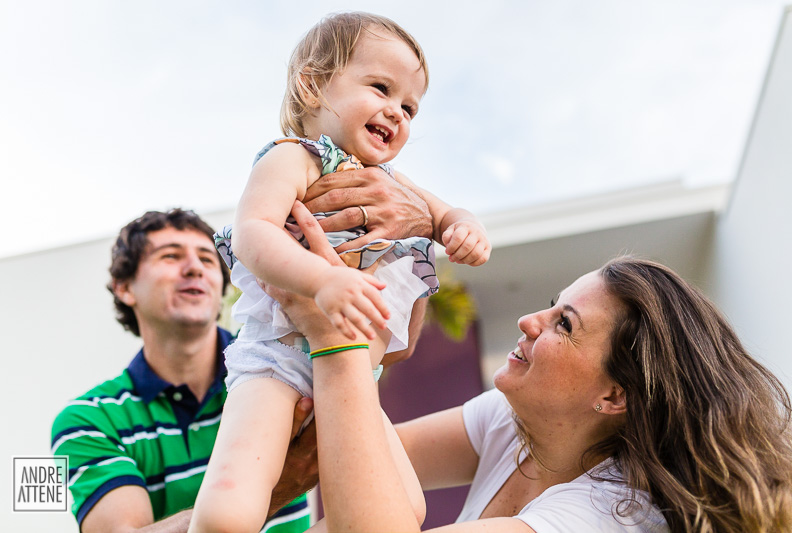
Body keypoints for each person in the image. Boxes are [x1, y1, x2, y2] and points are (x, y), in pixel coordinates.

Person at [270, 203, 792, 532]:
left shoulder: (612, 516)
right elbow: (358, 460)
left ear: (614, 396)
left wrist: (339, 348)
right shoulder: (514, 419)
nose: (528, 321)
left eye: (564, 324)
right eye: (550, 304)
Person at [190, 12, 490, 533]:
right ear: (312, 85)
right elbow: (253, 233)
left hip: (355, 371)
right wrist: (322, 280)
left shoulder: (393, 183)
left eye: (410, 107)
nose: (396, 113)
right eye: (380, 88)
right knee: (229, 509)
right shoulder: (296, 158)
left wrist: (467, 229)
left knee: (406, 509)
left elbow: (447, 215)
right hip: (278, 358)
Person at [50, 180, 434, 532]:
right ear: (125, 288)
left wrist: (417, 233)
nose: (194, 268)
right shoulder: (89, 419)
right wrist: (277, 487)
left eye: (205, 258)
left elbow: (393, 350)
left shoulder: (284, 360)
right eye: (170, 256)